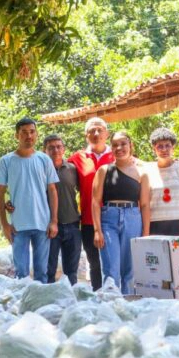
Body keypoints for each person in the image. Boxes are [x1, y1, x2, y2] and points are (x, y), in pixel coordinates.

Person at [0, 118, 59, 283]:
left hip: (42, 224)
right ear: (17, 136)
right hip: (18, 226)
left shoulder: (44, 160)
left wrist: (54, 221)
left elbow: (52, 190)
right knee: (21, 274)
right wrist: (5, 224)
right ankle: (23, 306)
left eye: (32, 132)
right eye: (24, 132)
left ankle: (40, 307)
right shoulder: (6, 161)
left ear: (36, 134)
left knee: (42, 273)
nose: (29, 135)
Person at [91, 131, 150, 294]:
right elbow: (95, 201)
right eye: (115, 144)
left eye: (123, 143)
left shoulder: (142, 173)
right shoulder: (104, 170)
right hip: (109, 219)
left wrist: (145, 234)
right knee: (111, 271)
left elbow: (144, 205)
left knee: (129, 272)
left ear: (131, 146)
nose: (119, 147)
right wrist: (97, 230)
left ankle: (128, 310)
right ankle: (111, 309)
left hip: (133, 218)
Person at [69, 117, 115, 290]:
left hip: (114, 218)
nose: (96, 134)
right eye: (92, 131)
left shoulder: (117, 155)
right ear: (86, 135)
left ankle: (116, 296)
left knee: (114, 262)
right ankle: (98, 297)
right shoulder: (77, 159)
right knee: (94, 263)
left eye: (100, 130)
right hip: (88, 221)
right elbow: (59, 180)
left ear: (107, 133)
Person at [43, 134, 82, 285]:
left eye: (59, 146)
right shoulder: (41, 170)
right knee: (49, 270)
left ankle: (71, 303)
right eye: (51, 147)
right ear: (44, 151)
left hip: (73, 225)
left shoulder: (72, 169)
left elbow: (83, 192)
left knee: (71, 272)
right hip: (50, 228)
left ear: (64, 149)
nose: (55, 150)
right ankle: (49, 305)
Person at [146, 127, 179, 236]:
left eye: (167, 145)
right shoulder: (147, 170)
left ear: (173, 148)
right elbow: (144, 202)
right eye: (159, 146)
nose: (164, 149)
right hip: (155, 224)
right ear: (154, 149)